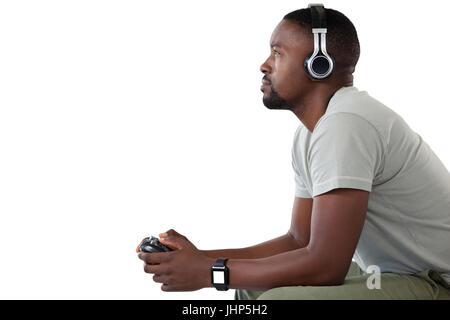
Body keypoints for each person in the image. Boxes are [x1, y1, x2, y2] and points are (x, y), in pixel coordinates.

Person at [137, 5, 450, 299]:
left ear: (318, 64)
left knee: (280, 297)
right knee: (252, 290)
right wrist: (200, 259)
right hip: (392, 272)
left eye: (277, 53)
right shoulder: (313, 133)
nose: (264, 65)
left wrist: (211, 274)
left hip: (436, 280)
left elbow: (327, 266)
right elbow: (299, 241)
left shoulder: (346, 124)